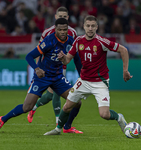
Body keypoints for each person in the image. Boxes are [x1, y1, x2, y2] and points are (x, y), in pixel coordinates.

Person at [44, 15, 132, 135]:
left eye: (92, 26)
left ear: (97, 27)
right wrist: (62, 58)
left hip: (100, 82)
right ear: (84, 27)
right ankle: (58, 129)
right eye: (88, 26)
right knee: (67, 107)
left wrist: (125, 70)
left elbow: (124, 50)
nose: (90, 28)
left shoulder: (101, 42)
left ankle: (119, 117)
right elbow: (67, 60)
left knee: (104, 115)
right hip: (83, 81)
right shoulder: (78, 41)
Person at [0, 18, 82, 133]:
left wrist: (81, 76)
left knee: (77, 102)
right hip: (42, 77)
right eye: (60, 30)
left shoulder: (70, 41)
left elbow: (77, 59)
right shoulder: (49, 41)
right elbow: (29, 56)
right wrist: (37, 69)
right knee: (27, 107)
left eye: (65, 29)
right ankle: (2, 119)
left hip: (58, 77)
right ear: (55, 29)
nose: (63, 32)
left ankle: (67, 127)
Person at [27, 6, 83, 134]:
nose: (62, 18)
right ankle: (60, 123)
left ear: (68, 18)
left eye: (65, 16)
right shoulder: (47, 32)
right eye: (60, 16)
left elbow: (74, 51)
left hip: (63, 65)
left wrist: (78, 68)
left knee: (51, 94)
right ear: (56, 17)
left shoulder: (72, 32)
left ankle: (34, 107)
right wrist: (37, 69)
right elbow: (39, 51)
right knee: (55, 93)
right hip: (48, 67)